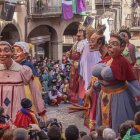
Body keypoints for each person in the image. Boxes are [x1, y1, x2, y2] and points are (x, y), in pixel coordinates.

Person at [92, 33, 139, 132]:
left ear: (122, 47)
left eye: (114, 43)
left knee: (117, 126)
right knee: (103, 127)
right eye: (109, 43)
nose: (110, 46)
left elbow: (132, 81)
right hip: (104, 96)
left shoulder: (123, 62)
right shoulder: (107, 59)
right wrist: (94, 87)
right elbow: (100, 79)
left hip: (118, 98)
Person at [0, 41, 46, 120]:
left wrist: (41, 111)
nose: (2, 54)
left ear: (11, 52)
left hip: (18, 116)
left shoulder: (23, 70)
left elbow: (35, 91)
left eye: (6, 50)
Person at [78, 25, 101, 105]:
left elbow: (82, 61)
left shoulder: (87, 46)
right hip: (95, 71)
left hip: (89, 72)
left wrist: (81, 72)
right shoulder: (94, 45)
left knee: (90, 86)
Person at [68, 24, 87, 103]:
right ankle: (73, 97)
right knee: (73, 81)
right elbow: (71, 52)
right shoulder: (75, 43)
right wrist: (68, 54)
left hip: (80, 66)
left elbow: (84, 56)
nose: (78, 34)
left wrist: (79, 63)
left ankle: (79, 98)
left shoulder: (85, 43)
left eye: (80, 31)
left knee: (79, 82)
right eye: (78, 31)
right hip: (73, 65)